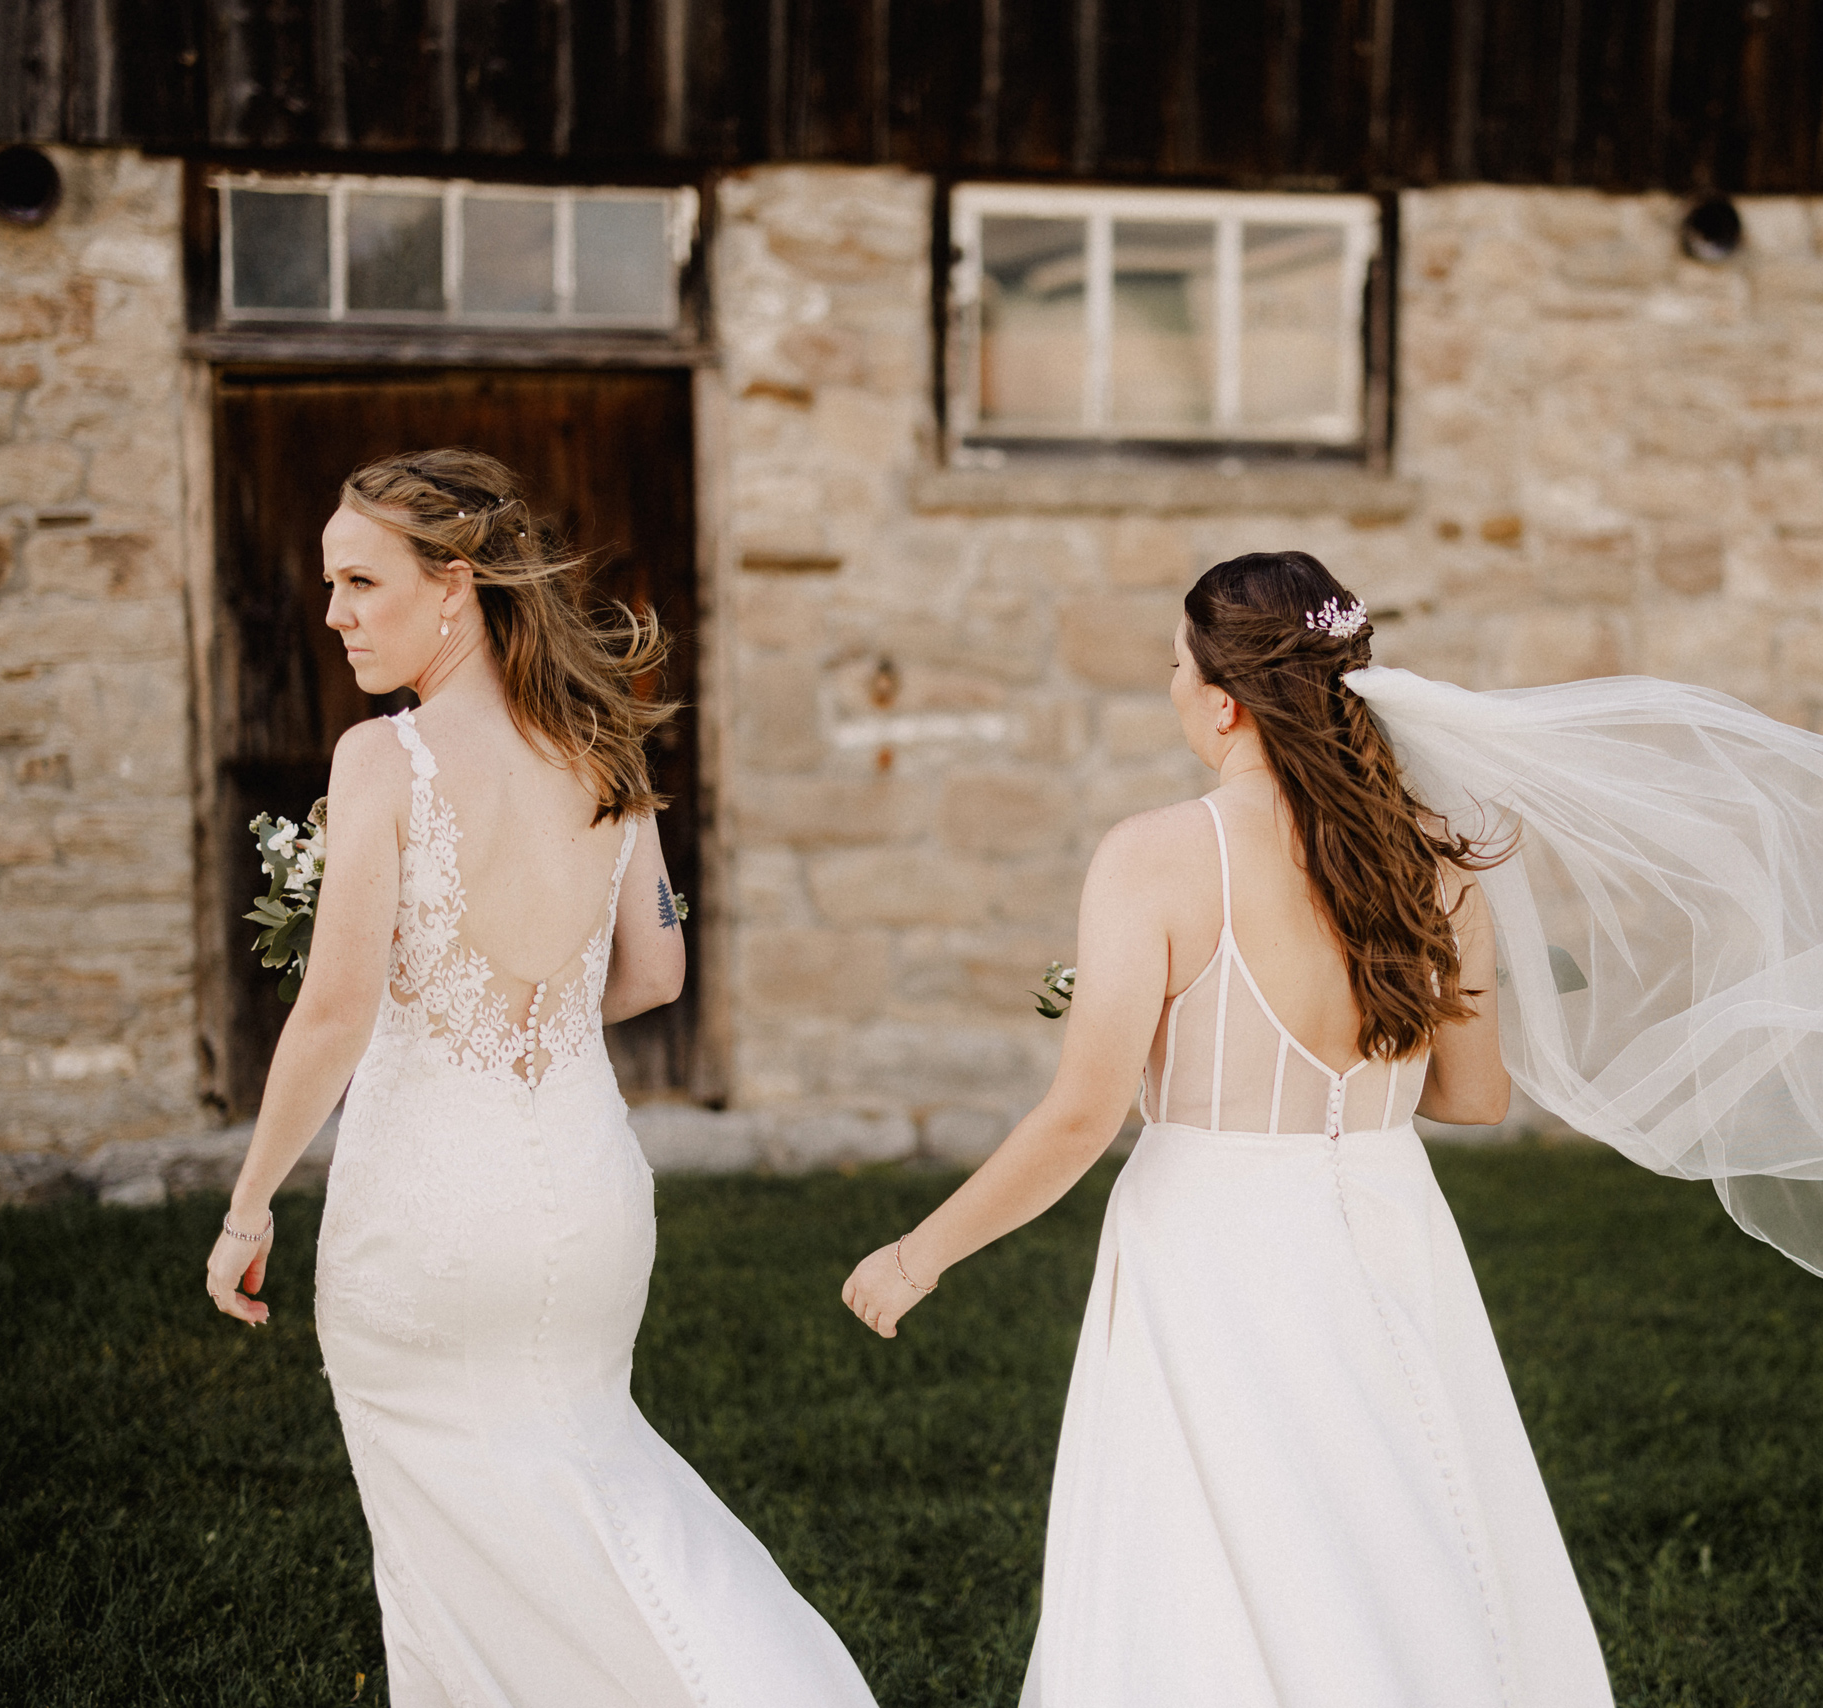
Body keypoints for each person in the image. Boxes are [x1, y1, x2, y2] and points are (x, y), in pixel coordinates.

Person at [841, 551, 1618, 1707]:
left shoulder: (1157, 857)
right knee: (1399, 1533)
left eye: (1174, 664)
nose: (1170, 688)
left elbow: (1078, 1118)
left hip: (1214, 1245)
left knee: (1206, 1560)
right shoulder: (1434, 863)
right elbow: (1476, 1097)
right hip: (1389, 1227)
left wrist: (916, 1256)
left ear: (1223, 700)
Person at [203, 450, 876, 1708]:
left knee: (455, 1549)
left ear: (454, 585)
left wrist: (249, 1209)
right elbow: (658, 969)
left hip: (429, 1214)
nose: (335, 612)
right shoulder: (601, 740)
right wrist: (543, 1018)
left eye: (361, 580)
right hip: (583, 1193)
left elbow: (337, 1007)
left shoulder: (382, 759)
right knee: (594, 1471)